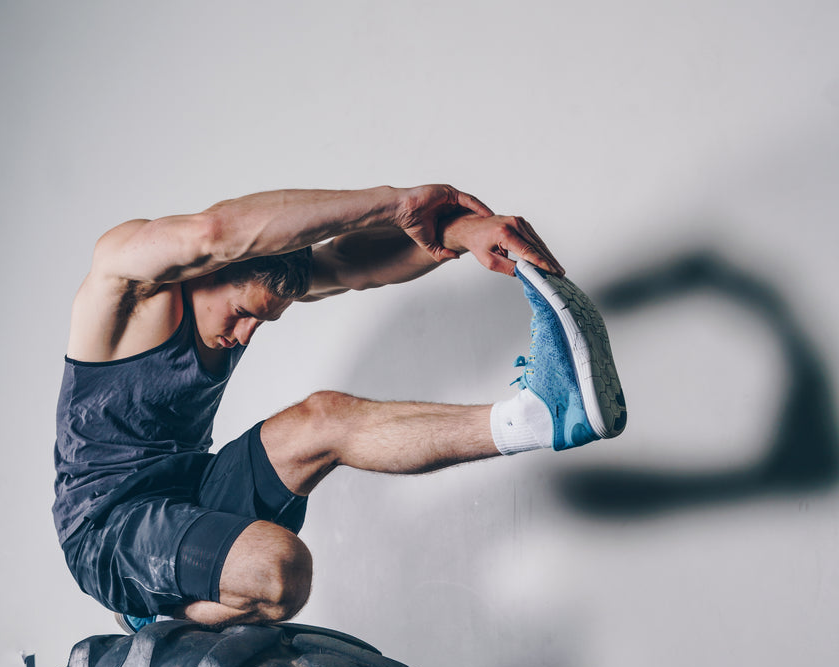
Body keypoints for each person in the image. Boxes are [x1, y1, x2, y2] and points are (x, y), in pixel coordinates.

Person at [54, 183, 626, 631]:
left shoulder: (244, 291)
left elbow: (355, 267)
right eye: (241, 312)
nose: (246, 334)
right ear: (208, 271)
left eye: (263, 321)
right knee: (281, 569)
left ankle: (539, 415)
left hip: (192, 494)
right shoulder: (127, 284)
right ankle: (157, 615)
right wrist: (396, 202)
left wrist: (466, 232)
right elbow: (216, 230)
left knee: (325, 417)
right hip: (108, 526)